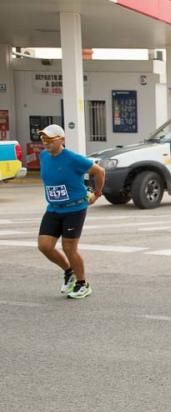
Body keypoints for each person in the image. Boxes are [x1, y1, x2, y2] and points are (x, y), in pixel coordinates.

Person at [36, 124, 105, 299]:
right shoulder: (43, 156)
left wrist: (97, 193)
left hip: (74, 209)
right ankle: (69, 272)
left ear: (61, 140)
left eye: (50, 139)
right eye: (43, 139)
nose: (46, 143)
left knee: (69, 248)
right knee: (44, 246)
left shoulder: (73, 159)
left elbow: (99, 171)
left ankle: (83, 284)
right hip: (53, 208)